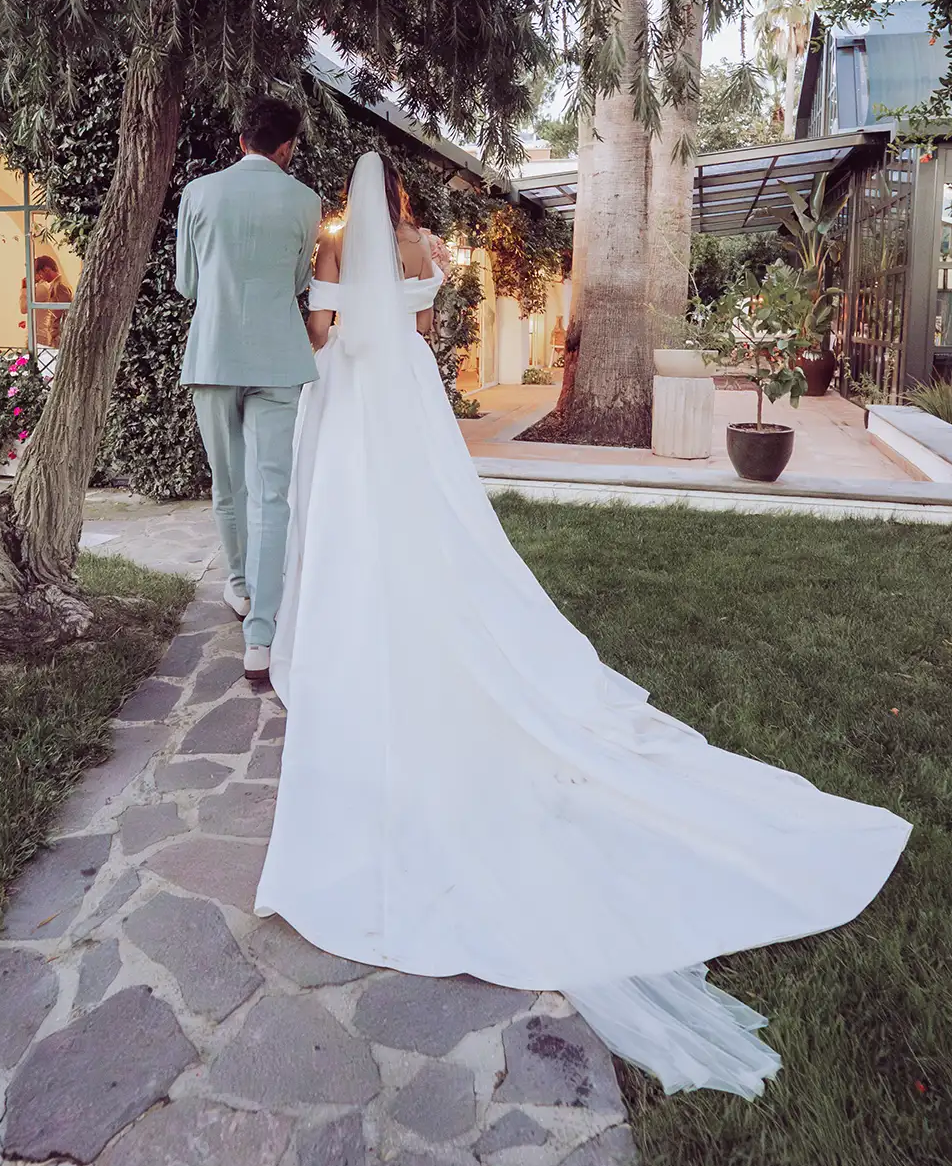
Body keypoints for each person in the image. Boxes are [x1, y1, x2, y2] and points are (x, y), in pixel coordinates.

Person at [255, 150, 911, 1098]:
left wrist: (343, 323)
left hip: (354, 404)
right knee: (434, 521)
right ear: (399, 197)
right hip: (409, 401)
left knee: (356, 524)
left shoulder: (331, 246)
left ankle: (360, 637)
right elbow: (427, 327)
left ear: (346, 204)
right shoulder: (420, 245)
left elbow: (322, 332)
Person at [175, 97, 322, 684]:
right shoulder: (306, 201)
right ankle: (260, 636)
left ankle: (237, 586)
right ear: (287, 148)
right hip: (280, 358)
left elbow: (188, 283)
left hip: (213, 353)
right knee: (271, 494)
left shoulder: (198, 193)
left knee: (227, 482)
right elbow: (298, 280)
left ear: (241, 141)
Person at [19, 254, 73, 348]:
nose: (41, 276)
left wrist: (57, 336)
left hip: (58, 336)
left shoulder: (59, 286)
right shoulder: (55, 285)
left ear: (47, 269)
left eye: (40, 273)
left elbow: (64, 313)